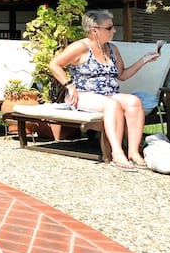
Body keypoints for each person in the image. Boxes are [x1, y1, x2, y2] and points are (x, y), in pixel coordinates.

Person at [49, 9, 161, 171]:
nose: (114, 30)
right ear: (94, 31)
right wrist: (69, 86)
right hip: (83, 94)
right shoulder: (80, 47)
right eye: (109, 28)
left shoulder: (112, 48)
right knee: (112, 105)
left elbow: (122, 75)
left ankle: (133, 152)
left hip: (109, 94)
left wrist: (144, 60)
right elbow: (54, 64)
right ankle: (117, 153)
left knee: (134, 101)